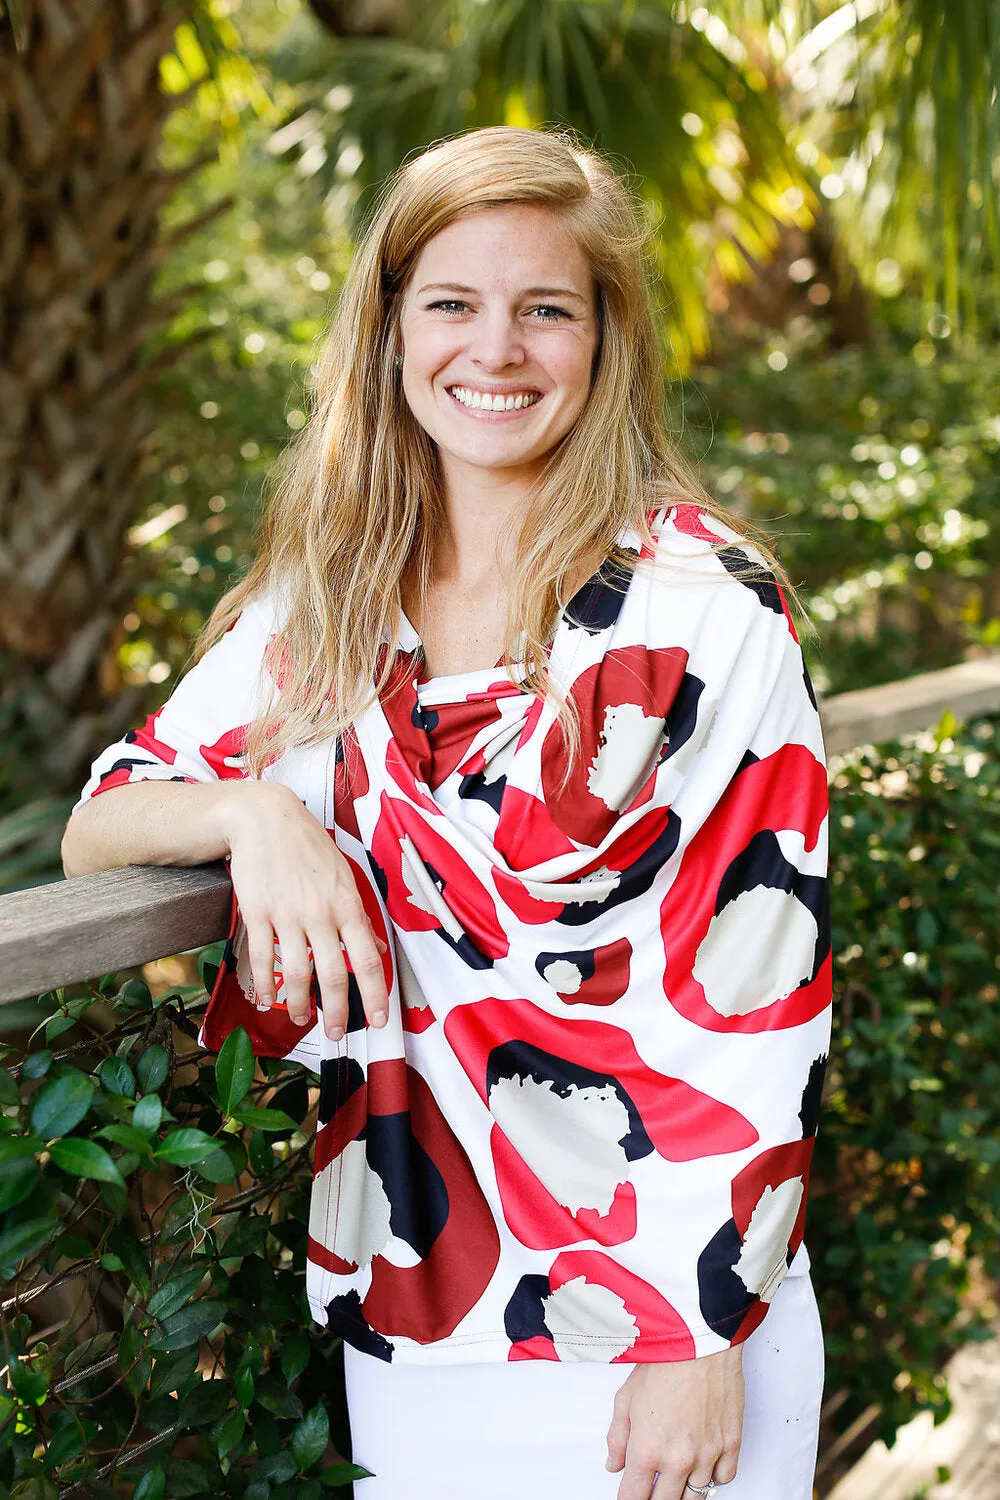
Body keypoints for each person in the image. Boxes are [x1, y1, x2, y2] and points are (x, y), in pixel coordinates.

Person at [63, 125, 832, 1500]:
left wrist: (706, 1327)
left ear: (605, 337)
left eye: (547, 308)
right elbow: (101, 824)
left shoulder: (703, 609)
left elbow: (766, 1003)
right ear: (393, 329)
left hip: (673, 1308)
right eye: (453, 305)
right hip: (422, 1292)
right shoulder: (331, 612)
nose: (499, 350)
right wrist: (256, 815)